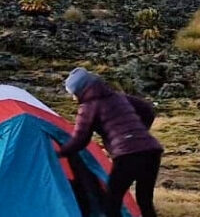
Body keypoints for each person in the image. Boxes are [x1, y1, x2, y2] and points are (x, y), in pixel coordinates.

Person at [58, 67, 162, 217]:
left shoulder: (88, 106)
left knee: (112, 202)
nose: (73, 98)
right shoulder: (118, 97)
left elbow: (80, 139)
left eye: (73, 93)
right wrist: (139, 132)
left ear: (80, 90)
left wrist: (60, 152)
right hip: (151, 151)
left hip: (128, 155)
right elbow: (148, 111)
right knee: (144, 201)